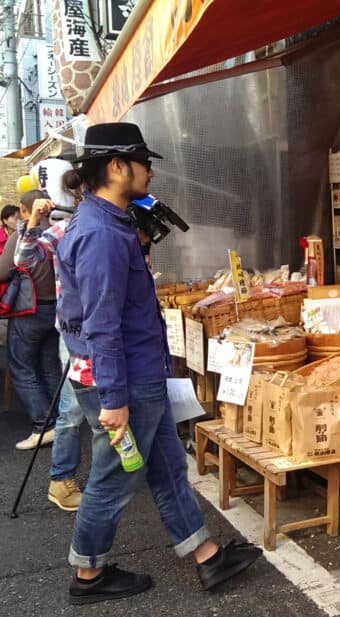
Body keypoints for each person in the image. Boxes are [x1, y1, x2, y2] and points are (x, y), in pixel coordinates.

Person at [56, 122, 261, 604]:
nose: (150, 171)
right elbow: (102, 322)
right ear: (115, 166)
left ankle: (208, 555)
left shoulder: (106, 222)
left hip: (139, 372)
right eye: (143, 162)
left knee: (168, 466)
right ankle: (88, 576)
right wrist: (114, 399)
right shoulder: (101, 233)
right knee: (113, 477)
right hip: (124, 377)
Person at [15, 194, 85, 511]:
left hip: (117, 333)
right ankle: (61, 479)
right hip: (76, 334)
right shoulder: (65, 229)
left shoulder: (124, 224)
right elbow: (24, 259)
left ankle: (118, 479)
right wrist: (32, 223)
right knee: (72, 413)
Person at [0, 190, 62, 450]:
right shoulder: (61, 231)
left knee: (22, 368)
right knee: (49, 366)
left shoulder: (23, 236)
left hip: (29, 310)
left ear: (25, 210)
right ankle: (58, 421)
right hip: (55, 310)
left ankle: (42, 425)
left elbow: (3, 270)